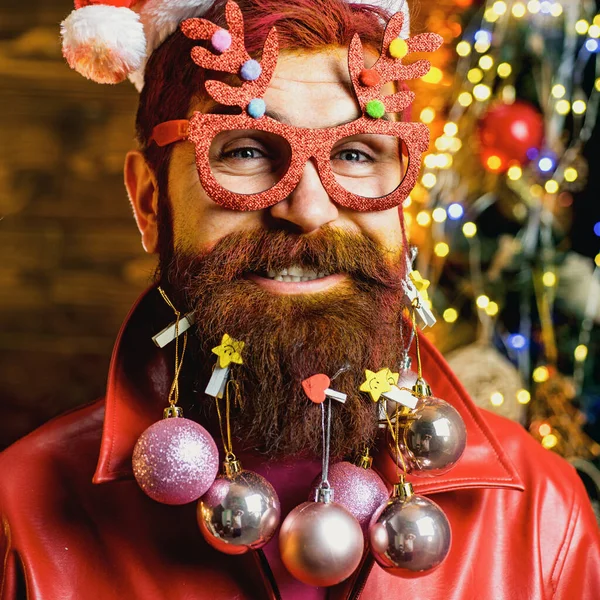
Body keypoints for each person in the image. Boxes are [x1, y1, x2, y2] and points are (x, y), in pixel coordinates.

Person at [0, 0, 598, 598]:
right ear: (150, 202)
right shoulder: (19, 518)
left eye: (357, 154)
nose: (310, 210)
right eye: (245, 151)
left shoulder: (543, 512)